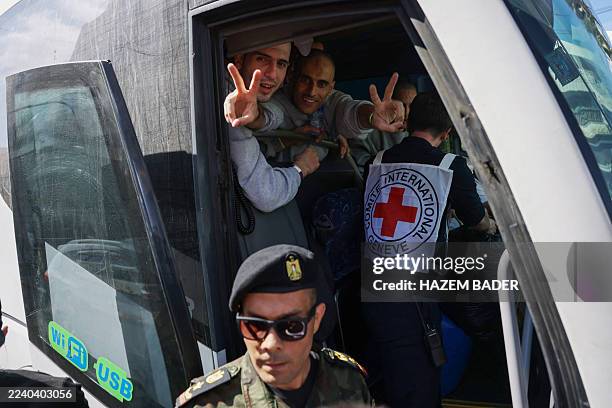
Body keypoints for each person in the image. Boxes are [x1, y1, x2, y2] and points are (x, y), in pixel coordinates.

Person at [361, 93, 496, 408]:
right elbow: (476, 220)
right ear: (447, 133)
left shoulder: (376, 160)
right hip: (415, 296)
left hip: (373, 285)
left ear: (407, 123)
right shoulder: (451, 165)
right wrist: (490, 227)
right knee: (416, 383)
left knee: (384, 371)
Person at [175, 245, 372, 408]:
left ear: (317, 319)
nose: (270, 344)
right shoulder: (206, 404)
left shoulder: (350, 382)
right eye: (254, 326)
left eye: (291, 327)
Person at [244, 50, 406, 163]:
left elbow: (350, 112)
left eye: (321, 84)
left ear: (331, 87)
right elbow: (268, 116)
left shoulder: (334, 101)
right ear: (293, 77)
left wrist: (370, 116)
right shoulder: (279, 101)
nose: (311, 92)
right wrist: (252, 116)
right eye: (305, 80)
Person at [224, 43, 321, 212]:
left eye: (281, 64)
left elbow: (273, 113)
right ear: (239, 59)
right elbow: (266, 194)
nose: (272, 74)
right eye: (262, 59)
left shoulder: (249, 99)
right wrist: (301, 168)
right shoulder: (230, 101)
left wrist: (280, 141)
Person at [350, 81, 417, 173]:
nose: (407, 112)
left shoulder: (420, 133)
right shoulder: (367, 132)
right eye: (402, 105)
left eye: (412, 106)